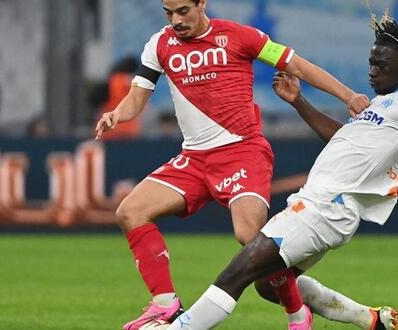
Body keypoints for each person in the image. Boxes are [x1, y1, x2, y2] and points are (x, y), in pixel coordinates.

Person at [168, 9, 398, 330]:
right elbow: (341, 138)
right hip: (320, 207)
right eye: (371, 63)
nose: (372, 71)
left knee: (236, 274)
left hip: (326, 208)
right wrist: (299, 101)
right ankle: (370, 319)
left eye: (381, 64)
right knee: (268, 285)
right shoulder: (379, 105)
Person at [93, 1, 370, 329]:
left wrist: (349, 96)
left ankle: (297, 313)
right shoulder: (159, 45)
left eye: (183, 10)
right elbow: (136, 97)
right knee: (130, 211)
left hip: (242, 152)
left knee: (250, 237)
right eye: (169, 13)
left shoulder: (240, 37)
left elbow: (298, 66)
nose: (176, 20)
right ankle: (164, 304)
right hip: (195, 159)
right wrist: (116, 114)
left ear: (201, 3)